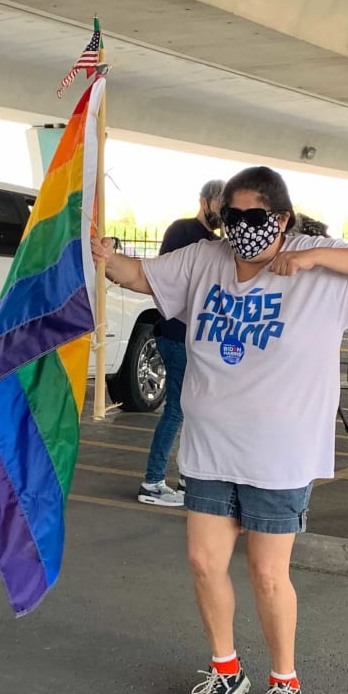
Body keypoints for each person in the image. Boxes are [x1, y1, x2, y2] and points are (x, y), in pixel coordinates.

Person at [91, 166, 348, 694]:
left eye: (253, 218)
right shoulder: (205, 259)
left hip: (278, 453)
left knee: (266, 573)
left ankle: (285, 681)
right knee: (204, 563)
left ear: (281, 218)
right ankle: (225, 668)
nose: (241, 229)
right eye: (231, 217)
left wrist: (311, 259)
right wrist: (103, 254)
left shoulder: (318, 260)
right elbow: (140, 276)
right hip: (211, 447)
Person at [137, 178, 224, 507]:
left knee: (192, 410)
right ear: (204, 201)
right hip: (176, 335)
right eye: (218, 204)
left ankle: (187, 478)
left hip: (193, 338)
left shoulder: (214, 242)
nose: (221, 211)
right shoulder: (184, 233)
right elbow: (168, 279)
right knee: (176, 410)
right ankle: (153, 481)